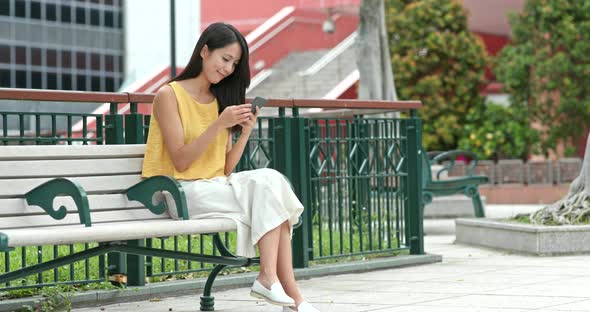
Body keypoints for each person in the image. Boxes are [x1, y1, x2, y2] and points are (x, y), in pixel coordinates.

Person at [141, 22, 320, 312]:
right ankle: (280, 288)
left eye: (234, 64)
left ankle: (286, 293)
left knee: (272, 181)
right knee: (270, 194)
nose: (228, 69)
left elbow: (224, 169)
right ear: (204, 51)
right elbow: (181, 161)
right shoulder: (168, 95)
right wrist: (219, 124)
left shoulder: (218, 102)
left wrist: (245, 131)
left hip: (212, 186)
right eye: (225, 59)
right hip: (178, 191)